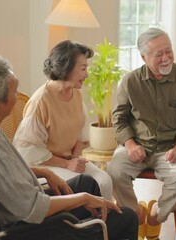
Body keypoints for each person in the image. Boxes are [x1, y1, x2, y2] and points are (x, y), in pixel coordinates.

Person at [0, 52, 138, 240]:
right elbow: (35, 208)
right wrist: (84, 199)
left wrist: (42, 172)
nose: (18, 97)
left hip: (19, 209)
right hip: (26, 230)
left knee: (86, 183)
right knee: (127, 217)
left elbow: (1, 175)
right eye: (14, 92)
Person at [106, 27, 176, 238]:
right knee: (113, 171)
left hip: (172, 148)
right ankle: (135, 214)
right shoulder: (130, 81)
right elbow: (119, 119)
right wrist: (130, 145)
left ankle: (155, 215)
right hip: (137, 145)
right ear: (143, 57)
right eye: (159, 54)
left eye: (168, 51)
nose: (166, 58)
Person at [13, 40, 113, 200]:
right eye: (83, 68)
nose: (86, 74)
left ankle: (106, 223)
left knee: (105, 181)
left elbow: (79, 135)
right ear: (67, 68)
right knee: (88, 183)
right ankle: (87, 222)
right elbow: (28, 151)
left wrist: (74, 158)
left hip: (69, 159)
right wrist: (67, 164)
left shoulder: (75, 94)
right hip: (45, 165)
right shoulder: (40, 101)